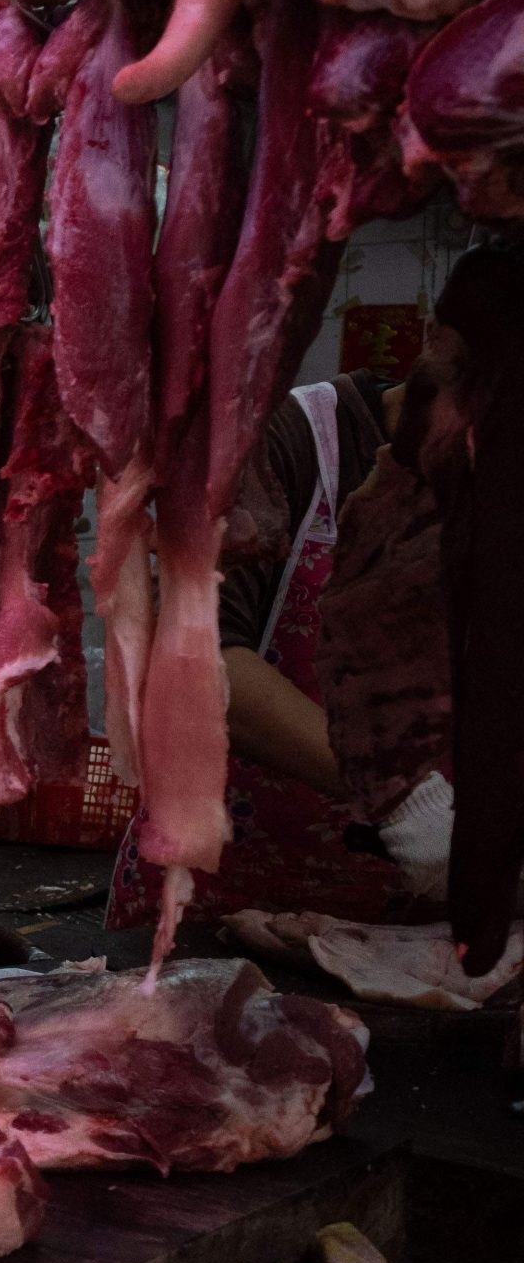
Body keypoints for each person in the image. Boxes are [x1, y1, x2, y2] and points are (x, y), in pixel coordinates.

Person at [108, 364, 436, 931]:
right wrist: (401, 795)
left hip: (423, 936)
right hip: (219, 908)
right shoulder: (295, 437)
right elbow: (197, 656)